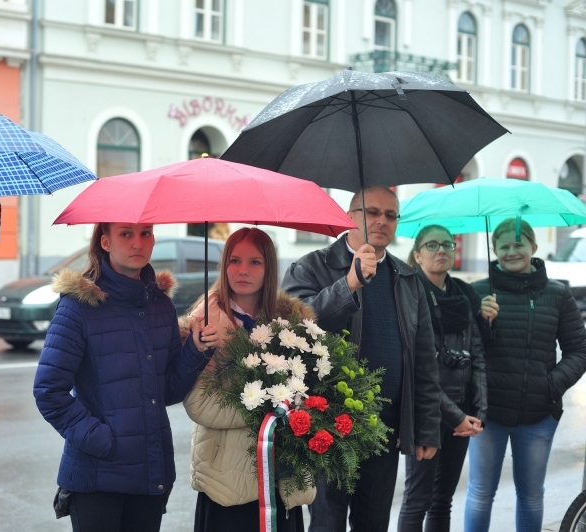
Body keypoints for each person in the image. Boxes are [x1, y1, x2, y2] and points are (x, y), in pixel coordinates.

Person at [33, 222, 219, 532]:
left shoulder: (160, 305)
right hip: (97, 477)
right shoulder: (78, 307)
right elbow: (48, 392)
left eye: (145, 233)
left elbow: (168, 390)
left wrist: (196, 350)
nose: (138, 243)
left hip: (149, 472)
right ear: (105, 242)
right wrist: (101, 440)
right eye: (126, 234)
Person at [281, 185, 441, 532]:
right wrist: (350, 283)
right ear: (349, 217)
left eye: (390, 214)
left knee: (374, 524)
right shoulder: (311, 267)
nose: (381, 220)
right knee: (327, 524)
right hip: (328, 426)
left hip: (384, 429)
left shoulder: (408, 278)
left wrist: (427, 427)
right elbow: (296, 330)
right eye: (371, 212)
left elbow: (424, 360)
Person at [181, 227, 316, 532]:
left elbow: (307, 391)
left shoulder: (290, 322)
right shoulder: (205, 323)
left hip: (281, 475)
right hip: (227, 478)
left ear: (269, 268)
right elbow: (199, 403)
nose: (243, 270)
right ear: (224, 265)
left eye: (255, 262)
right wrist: (268, 412)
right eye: (235, 261)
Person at [465, 218, 586, 532]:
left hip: (538, 414)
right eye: (503, 246)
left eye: (518, 244)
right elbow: (463, 351)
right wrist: (481, 321)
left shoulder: (557, 294)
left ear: (533, 247)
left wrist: (551, 385)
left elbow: (579, 350)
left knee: (531, 495)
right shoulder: (478, 292)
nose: (511, 251)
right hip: (487, 414)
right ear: (494, 250)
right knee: (480, 493)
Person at [397, 225, 487, 532]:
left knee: (442, 500)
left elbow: (477, 356)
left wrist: (479, 410)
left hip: (462, 412)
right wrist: (455, 416)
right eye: (432, 245)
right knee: (417, 499)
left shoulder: (464, 294)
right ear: (418, 255)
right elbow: (420, 369)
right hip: (428, 413)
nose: (441, 251)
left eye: (448, 245)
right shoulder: (410, 295)